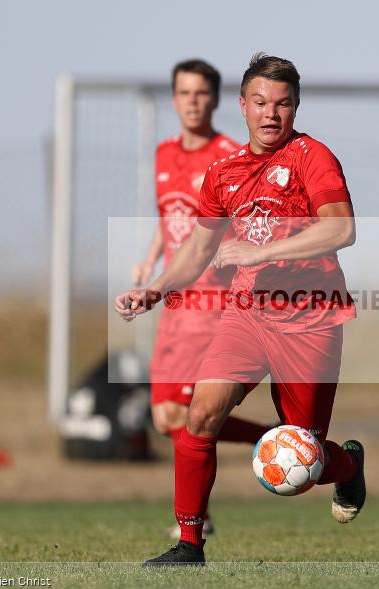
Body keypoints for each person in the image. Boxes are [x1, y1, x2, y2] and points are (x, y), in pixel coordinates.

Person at [115, 53, 365, 565]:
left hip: (310, 319)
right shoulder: (223, 172)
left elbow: (342, 229)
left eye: (282, 103)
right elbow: (199, 248)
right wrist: (156, 289)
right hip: (247, 314)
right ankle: (189, 544)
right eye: (260, 102)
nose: (270, 113)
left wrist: (261, 251)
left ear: (295, 107)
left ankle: (348, 467)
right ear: (243, 106)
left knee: (305, 465)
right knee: (200, 413)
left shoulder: (312, 158)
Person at [131, 59, 271, 537]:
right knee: (165, 415)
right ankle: (274, 440)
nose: (192, 101)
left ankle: (196, 519)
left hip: (212, 304)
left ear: (215, 100)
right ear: (174, 99)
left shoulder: (232, 156)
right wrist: (150, 262)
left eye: (201, 93)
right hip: (174, 302)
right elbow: (168, 219)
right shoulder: (163, 153)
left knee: (186, 413)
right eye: (184, 93)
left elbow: (249, 222)